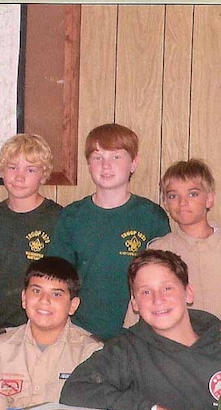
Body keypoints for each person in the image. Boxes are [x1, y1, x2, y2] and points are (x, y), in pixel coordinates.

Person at [60, 250, 221, 410]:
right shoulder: (127, 350)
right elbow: (75, 390)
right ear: (135, 303)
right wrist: (150, 409)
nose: (158, 299)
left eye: (167, 288)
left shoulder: (216, 342)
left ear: (188, 293)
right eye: (146, 292)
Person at [48, 123, 170, 341]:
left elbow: (165, 280)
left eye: (116, 157)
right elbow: (57, 280)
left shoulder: (152, 217)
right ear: (88, 164)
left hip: (138, 337)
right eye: (97, 157)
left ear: (134, 163)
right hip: (81, 336)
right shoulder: (72, 216)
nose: (105, 166)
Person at [0, 257, 101, 410]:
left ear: (73, 305)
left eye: (56, 294)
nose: (44, 300)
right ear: (24, 298)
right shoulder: (2, 347)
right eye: (36, 291)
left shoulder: (89, 352)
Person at [0, 134, 62, 354]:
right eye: (12, 167)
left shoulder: (58, 219)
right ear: (1, 170)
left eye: (30, 170)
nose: (19, 176)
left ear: (43, 175)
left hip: (43, 329)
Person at [124, 159, 221, 326]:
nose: (182, 202)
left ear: (209, 199)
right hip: (174, 347)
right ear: (166, 203)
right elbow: (139, 309)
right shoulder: (158, 251)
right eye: (173, 195)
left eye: (193, 194)